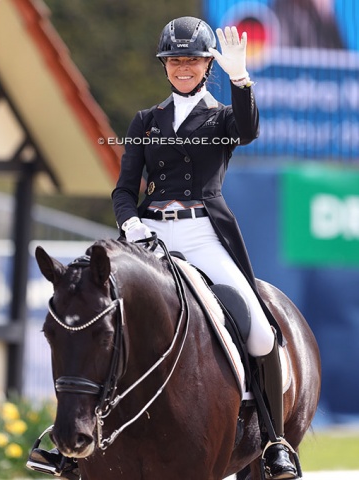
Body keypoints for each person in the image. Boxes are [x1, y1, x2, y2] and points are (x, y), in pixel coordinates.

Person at [112, 16, 298, 480]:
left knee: (258, 330)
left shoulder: (221, 117)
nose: (182, 68)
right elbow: (122, 190)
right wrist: (131, 223)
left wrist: (241, 79)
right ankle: (77, 437)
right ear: (165, 66)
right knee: (96, 314)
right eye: (174, 60)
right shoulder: (145, 121)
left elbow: (249, 129)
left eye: (192, 60)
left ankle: (273, 441)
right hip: (149, 235)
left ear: (206, 65)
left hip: (202, 234)